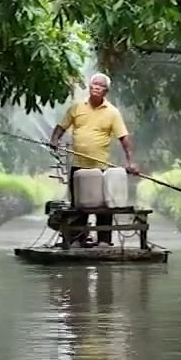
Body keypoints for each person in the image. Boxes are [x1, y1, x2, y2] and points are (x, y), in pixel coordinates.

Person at [49, 72, 141, 246]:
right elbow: (61, 126)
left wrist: (131, 162)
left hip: (101, 167)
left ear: (106, 91)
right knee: (79, 205)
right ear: (90, 88)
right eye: (94, 85)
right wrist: (55, 140)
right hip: (79, 166)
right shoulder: (76, 108)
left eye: (101, 86)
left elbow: (124, 138)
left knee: (104, 205)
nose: (97, 88)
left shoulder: (113, 113)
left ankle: (104, 241)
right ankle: (77, 238)